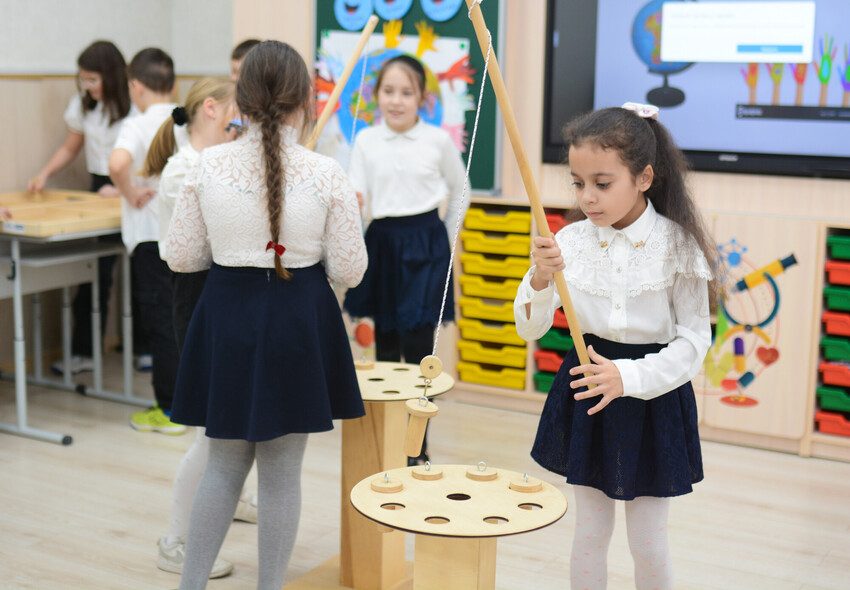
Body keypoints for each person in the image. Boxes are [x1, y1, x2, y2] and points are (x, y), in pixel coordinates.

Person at [165, 41, 367, 588]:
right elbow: (351, 269)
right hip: (298, 320)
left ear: (241, 100)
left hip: (227, 315)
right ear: (305, 98)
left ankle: (191, 585)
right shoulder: (327, 174)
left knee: (223, 465)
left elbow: (181, 256)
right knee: (281, 475)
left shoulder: (206, 166)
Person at [514, 103, 717, 589]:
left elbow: (694, 342)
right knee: (589, 532)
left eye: (602, 184)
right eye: (577, 183)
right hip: (588, 388)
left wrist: (628, 378)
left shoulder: (677, 246)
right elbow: (529, 329)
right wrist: (541, 279)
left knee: (648, 541)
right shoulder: (571, 243)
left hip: (653, 395)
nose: (587, 197)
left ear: (644, 177)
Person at [342, 55, 466, 464]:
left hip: (426, 247)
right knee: (386, 347)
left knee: (418, 350)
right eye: (388, 91)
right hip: (381, 244)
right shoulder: (365, 141)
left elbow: (459, 189)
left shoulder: (437, 141)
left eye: (406, 92)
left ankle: (417, 447)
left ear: (423, 99)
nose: (396, 101)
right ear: (375, 96)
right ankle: (388, 440)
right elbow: (357, 198)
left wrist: (443, 242)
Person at [28, 40, 136, 375]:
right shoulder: (83, 106)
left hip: (133, 187)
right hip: (96, 190)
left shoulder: (134, 106)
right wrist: (44, 174)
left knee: (144, 274)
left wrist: (122, 190)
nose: (88, 86)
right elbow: (71, 146)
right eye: (83, 80)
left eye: (93, 79)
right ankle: (85, 351)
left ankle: (145, 349)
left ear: (112, 76)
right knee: (95, 274)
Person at [109, 47, 186, 434]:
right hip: (185, 238)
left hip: (150, 239)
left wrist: (127, 191)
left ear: (135, 87)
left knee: (160, 323)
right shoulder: (186, 119)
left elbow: (117, 164)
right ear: (171, 83)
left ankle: (169, 409)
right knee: (182, 319)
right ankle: (190, 402)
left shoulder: (137, 123)